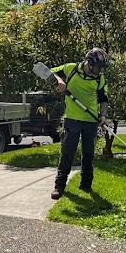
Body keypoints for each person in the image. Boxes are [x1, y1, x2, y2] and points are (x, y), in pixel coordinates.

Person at [48, 47, 110, 200]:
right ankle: (59, 185)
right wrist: (60, 81)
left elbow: (103, 98)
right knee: (67, 153)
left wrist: (103, 115)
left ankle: (86, 184)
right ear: (89, 63)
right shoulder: (71, 69)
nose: (100, 70)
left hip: (90, 120)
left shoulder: (99, 79)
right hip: (72, 119)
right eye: (98, 67)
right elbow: (50, 72)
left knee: (88, 154)